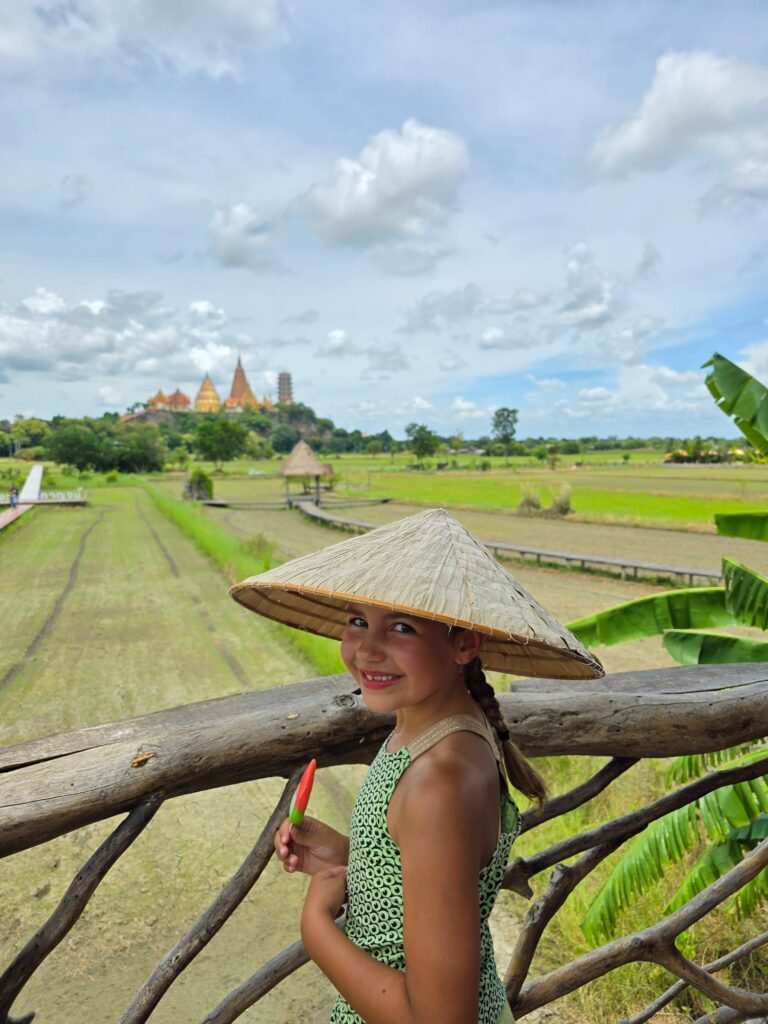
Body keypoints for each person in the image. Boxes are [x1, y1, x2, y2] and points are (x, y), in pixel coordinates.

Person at [230, 508, 603, 1024]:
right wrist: (355, 855)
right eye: (357, 620)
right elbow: (426, 868)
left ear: (464, 643)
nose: (367, 649)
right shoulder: (432, 730)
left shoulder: (439, 782)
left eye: (401, 628)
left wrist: (316, 926)